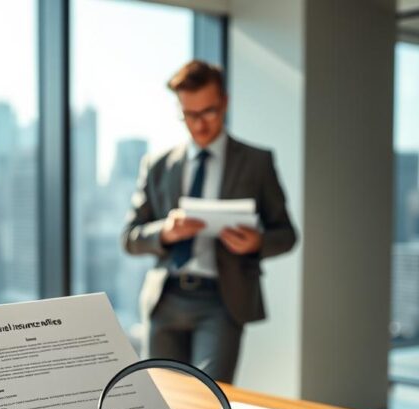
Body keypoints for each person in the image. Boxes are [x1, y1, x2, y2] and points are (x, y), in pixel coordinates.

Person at [122, 60, 298, 383]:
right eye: (190, 115)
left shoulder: (257, 162)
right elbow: (130, 238)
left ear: (225, 103)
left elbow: (287, 234)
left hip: (222, 300)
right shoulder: (158, 164)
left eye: (209, 112)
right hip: (165, 298)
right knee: (163, 402)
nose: (200, 125)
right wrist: (165, 232)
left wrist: (257, 242)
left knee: (210, 401)